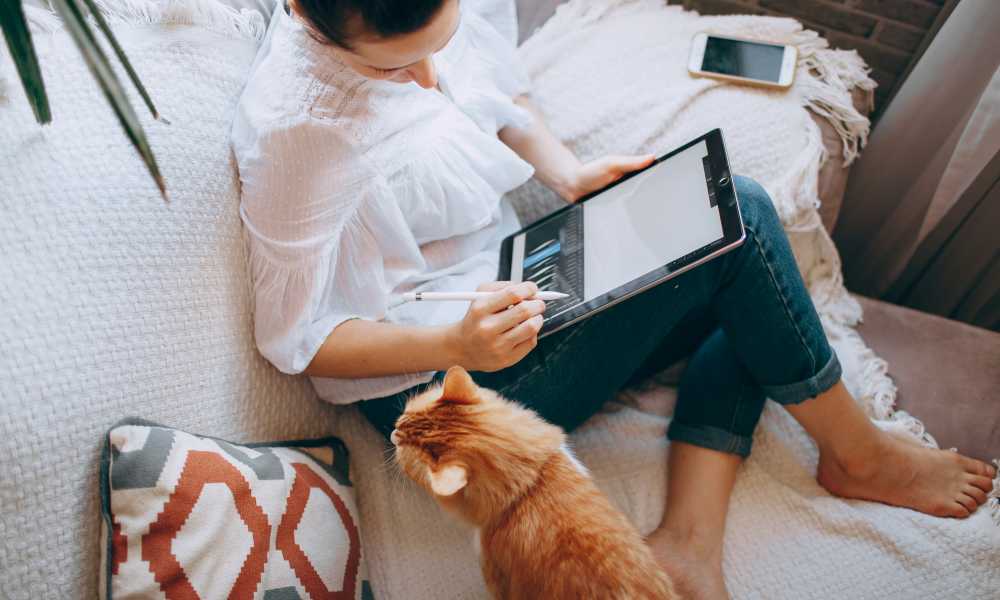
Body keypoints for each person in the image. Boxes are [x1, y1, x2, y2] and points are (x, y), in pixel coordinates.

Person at [230, 1, 996, 597]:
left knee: (744, 269)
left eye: (440, 45)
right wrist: (454, 346)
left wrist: (567, 174)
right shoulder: (299, 132)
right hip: (442, 389)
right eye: (400, 71)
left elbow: (497, 98)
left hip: (514, 285)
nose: (432, 79)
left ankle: (689, 544)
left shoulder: (412, 21)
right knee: (747, 221)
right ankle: (855, 452)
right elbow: (295, 339)